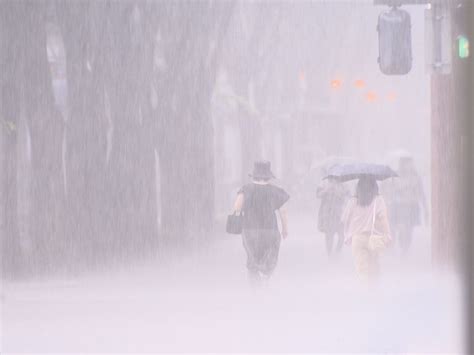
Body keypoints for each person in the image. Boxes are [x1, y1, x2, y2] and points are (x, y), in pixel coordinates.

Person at [233, 160, 290, 284]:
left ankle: (255, 286)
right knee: (270, 255)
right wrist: (285, 229)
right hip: (270, 230)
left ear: (254, 174)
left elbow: (237, 206)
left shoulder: (246, 189)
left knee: (252, 257)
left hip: (249, 230)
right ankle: (265, 274)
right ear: (269, 175)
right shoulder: (275, 191)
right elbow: (283, 212)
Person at [342, 177, 392, 284]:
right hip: (373, 238)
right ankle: (374, 291)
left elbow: (345, 219)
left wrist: (349, 233)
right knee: (374, 266)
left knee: (362, 269)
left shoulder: (353, 201)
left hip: (357, 238)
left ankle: (365, 293)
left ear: (358, 187)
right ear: (375, 187)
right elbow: (383, 219)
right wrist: (387, 235)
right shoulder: (378, 200)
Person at [388, 157, 428, 254]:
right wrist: (398, 192)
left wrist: (425, 207)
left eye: (410, 163)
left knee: (409, 229)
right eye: (407, 163)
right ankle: (401, 244)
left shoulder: (415, 177)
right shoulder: (396, 176)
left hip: (412, 206)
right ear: (402, 164)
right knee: (401, 227)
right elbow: (391, 191)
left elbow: (421, 193)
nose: (409, 166)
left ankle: (405, 248)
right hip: (399, 206)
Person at [316, 176, 349, 256]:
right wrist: (327, 190)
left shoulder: (343, 185)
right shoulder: (324, 183)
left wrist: (338, 192)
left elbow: (347, 195)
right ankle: (329, 254)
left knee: (341, 235)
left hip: (339, 213)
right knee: (329, 235)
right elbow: (318, 195)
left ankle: (337, 252)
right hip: (328, 213)